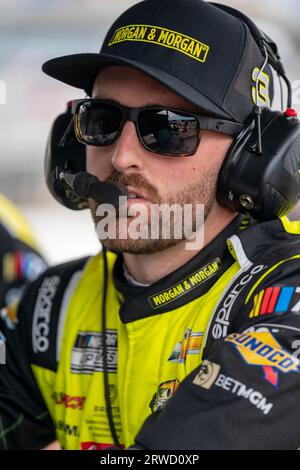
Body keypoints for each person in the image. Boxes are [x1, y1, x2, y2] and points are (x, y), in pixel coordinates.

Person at [1, 0, 300, 451]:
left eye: (168, 129)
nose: (120, 158)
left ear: (249, 160)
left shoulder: (286, 293)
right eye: (100, 121)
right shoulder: (50, 305)